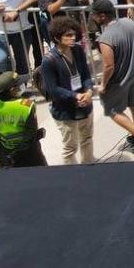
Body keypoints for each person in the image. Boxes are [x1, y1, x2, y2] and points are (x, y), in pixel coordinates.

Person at [91, 0, 134, 155]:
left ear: (102, 16)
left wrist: (103, 84)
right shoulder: (128, 23)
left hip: (118, 80)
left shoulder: (105, 38)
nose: (92, 18)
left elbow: (109, 66)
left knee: (112, 109)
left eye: (94, 15)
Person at [39, 16, 95, 164]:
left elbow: (86, 75)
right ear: (57, 38)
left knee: (87, 139)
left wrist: (89, 91)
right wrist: (76, 96)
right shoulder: (49, 60)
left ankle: (89, 167)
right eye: (68, 35)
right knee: (70, 147)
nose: (73, 38)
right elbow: (53, 89)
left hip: (85, 103)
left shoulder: (77, 50)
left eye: (74, 34)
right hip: (65, 109)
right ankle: (72, 174)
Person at [0, 71, 47, 168]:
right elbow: (30, 136)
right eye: (20, 84)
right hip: (31, 156)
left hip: (6, 158)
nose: (22, 86)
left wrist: (5, 159)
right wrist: (15, 157)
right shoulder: (26, 106)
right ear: (12, 90)